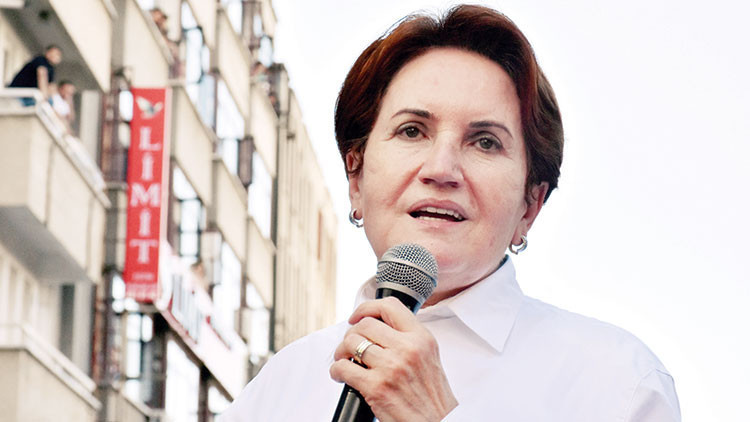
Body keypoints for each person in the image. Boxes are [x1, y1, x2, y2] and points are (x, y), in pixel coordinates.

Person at [221, 5, 680, 421]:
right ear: (356, 180)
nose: (441, 169)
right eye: (412, 131)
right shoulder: (283, 383)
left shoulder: (618, 382)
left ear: (530, 205)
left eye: (485, 142)